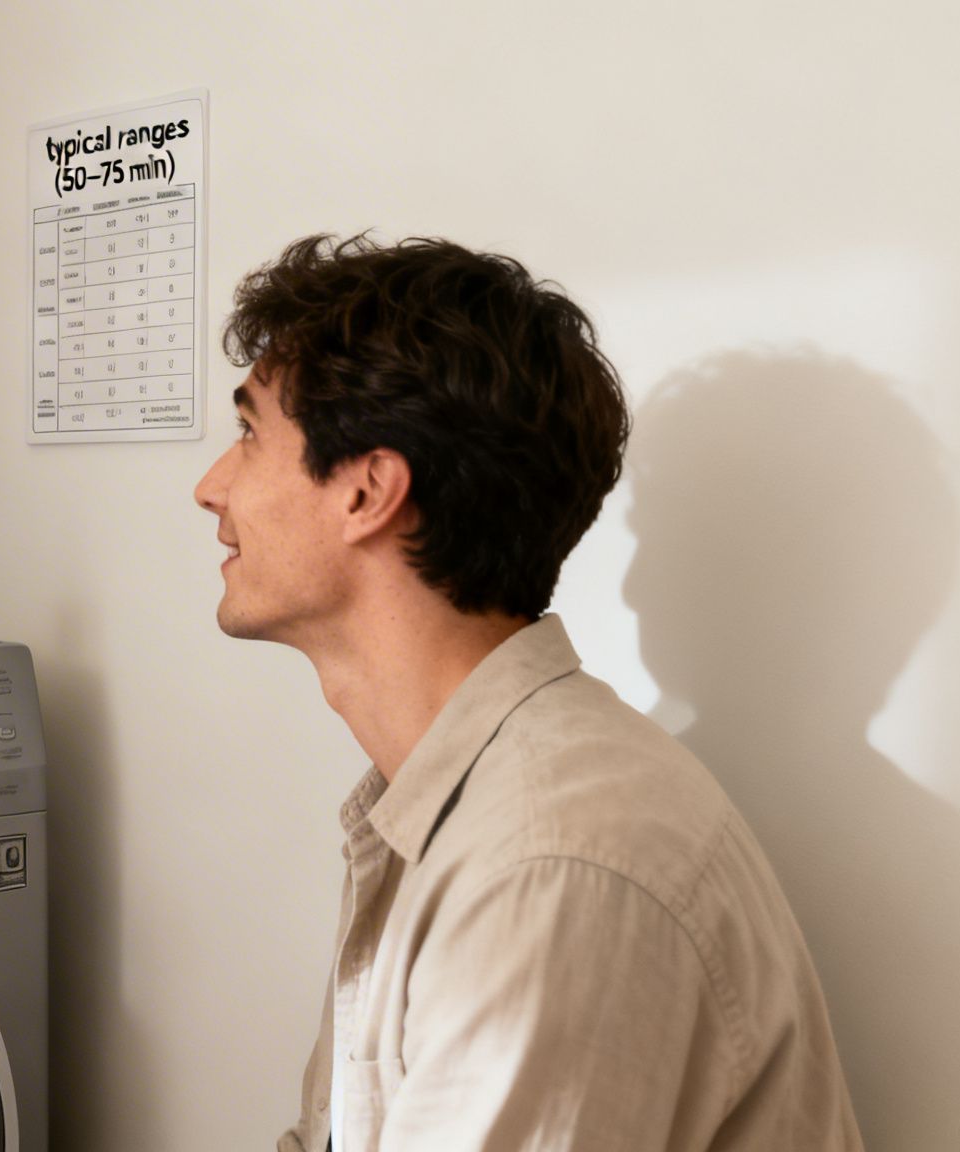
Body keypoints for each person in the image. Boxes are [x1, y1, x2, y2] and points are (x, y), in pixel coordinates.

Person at [193, 234, 863, 1151]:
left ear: (368, 492)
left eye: (248, 433)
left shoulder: (551, 863)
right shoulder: (459, 803)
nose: (210, 487)